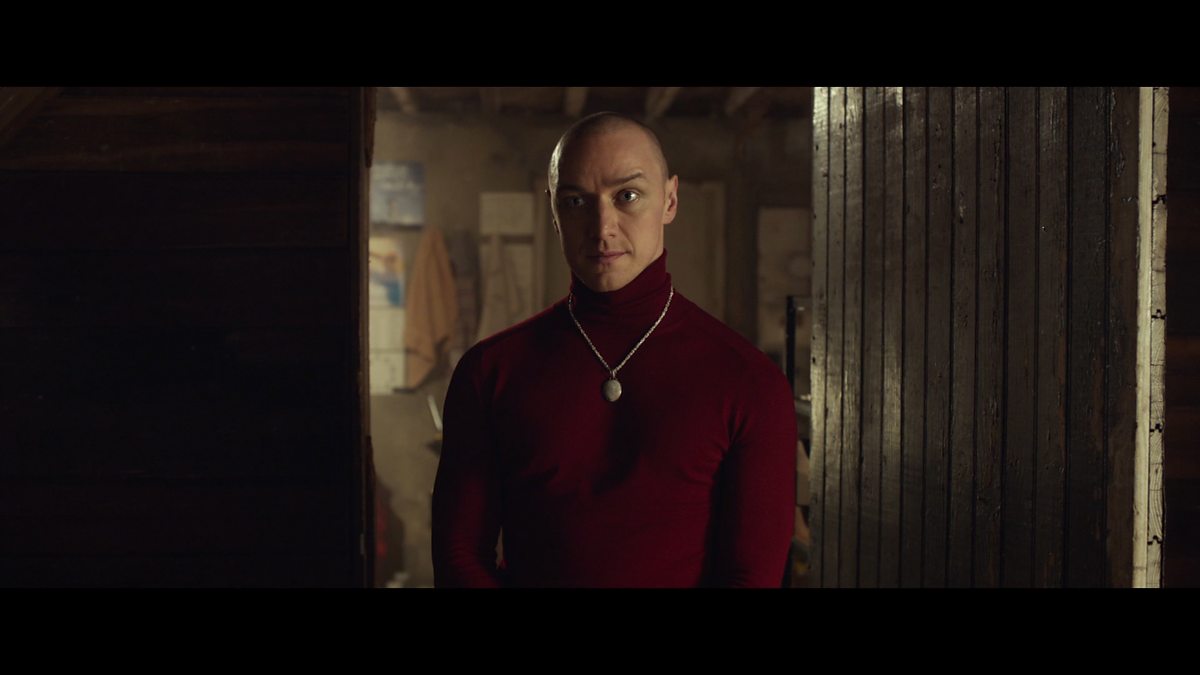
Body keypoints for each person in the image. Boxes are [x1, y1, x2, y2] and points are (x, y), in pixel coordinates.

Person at [431, 112, 795, 587]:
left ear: (670, 200)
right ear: (554, 211)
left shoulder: (749, 381)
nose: (602, 227)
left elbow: (752, 577)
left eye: (627, 196)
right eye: (576, 201)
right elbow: (459, 557)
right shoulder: (490, 371)